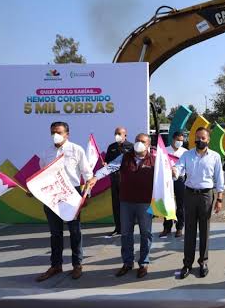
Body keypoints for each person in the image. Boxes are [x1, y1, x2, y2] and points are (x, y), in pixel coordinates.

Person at [87, 133, 155, 278]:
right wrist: (95, 177)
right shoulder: (125, 156)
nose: (139, 143)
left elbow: (168, 173)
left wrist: (174, 172)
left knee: (146, 234)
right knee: (126, 234)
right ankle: (127, 263)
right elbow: (110, 167)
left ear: (148, 144)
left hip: (145, 202)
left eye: (143, 141)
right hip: (126, 202)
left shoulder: (155, 158)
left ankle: (144, 263)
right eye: (137, 141)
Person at [35, 121, 93, 282]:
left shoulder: (76, 149)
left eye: (59, 132)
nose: (56, 135)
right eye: (53, 132)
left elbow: (88, 175)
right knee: (55, 233)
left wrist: (86, 196)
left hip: (71, 194)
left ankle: (77, 265)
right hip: (52, 195)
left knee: (75, 232)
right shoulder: (46, 152)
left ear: (67, 134)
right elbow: (41, 174)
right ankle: (56, 265)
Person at [174, 127, 224, 279]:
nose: (200, 140)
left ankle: (203, 262)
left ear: (208, 140)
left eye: (203, 138)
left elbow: (219, 179)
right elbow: (179, 168)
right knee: (189, 231)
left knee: (204, 231)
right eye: (197, 138)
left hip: (206, 196)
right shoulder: (187, 155)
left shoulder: (215, 157)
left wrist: (220, 199)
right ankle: (187, 264)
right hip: (189, 194)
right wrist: (174, 170)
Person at [104, 127, 134, 237]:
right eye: (115, 133)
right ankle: (118, 228)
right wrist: (105, 165)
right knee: (116, 204)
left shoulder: (131, 146)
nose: (117, 135)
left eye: (119, 133)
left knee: (126, 205)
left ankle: (128, 227)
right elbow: (107, 161)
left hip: (126, 181)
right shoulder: (111, 147)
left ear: (125, 135)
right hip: (114, 179)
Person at [162, 131, 188, 238]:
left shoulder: (185, 152)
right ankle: (167, 227)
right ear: (173, 139)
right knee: (167, 203)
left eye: (182, 140)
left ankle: (179, 227)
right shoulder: (165, 150)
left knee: (181, 205)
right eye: (178, 140)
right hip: (167, 180)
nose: (180, 142)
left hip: (180, 180)